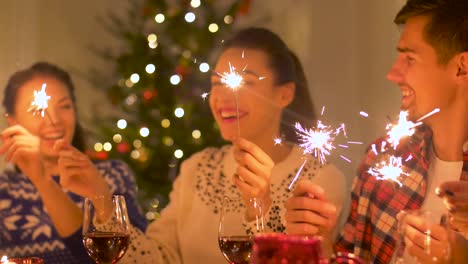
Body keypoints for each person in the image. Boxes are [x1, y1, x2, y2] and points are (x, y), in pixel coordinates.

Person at [96, 27, 347, 264]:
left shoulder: (318, 180)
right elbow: (158, 258)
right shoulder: (198, 168)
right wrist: (103, 202)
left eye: (245, 83)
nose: (224, 96)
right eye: (217, 83)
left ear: (284, 94)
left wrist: (259, 206)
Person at [285, 0, 468, 263]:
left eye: (410, 58)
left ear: (461, 67)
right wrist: (321, 244)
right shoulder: (382, 159)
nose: (393, 74)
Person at [0, 62, 147, 263]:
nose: (54, 121)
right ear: (13, 121)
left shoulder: (111, 176)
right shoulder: (4, 192)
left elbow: (138, 256)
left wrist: (99, 195)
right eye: (37, 110)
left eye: (65, 106)